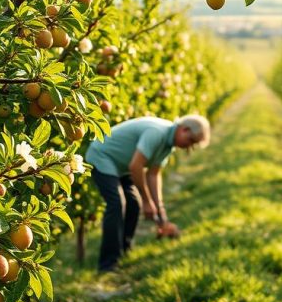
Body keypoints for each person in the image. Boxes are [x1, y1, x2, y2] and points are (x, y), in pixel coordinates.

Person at [84, 114, 210, 273]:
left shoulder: (168, 145)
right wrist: (146, 200)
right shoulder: (156, 133)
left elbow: (153, 175)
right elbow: (136, 166)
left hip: (120, 164)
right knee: (116, 205)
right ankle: (107, 264)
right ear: (184, 129)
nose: (189, 147)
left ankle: (125, 251)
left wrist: (160, 213)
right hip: (102, 156)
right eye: (190, 141)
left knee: (134, 204)